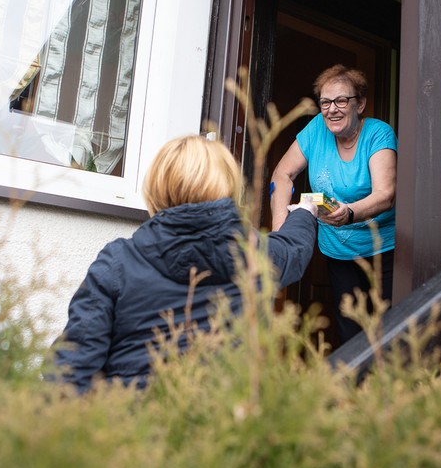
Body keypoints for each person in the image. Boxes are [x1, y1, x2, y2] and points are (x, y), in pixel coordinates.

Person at [47, 134, 318, 393]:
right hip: (223, 421)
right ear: (228, 188)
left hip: (132, 420)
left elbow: (70, 373)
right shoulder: (255, 255)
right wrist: (305, 213)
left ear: (157, 187)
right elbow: (293, 249)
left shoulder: (119, 261)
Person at [270, 64, 397, 345]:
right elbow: (282, 174)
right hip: (338, 253)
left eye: (341, 100)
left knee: (388, 335)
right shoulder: (316, 129)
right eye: (325, 102)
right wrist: (280, 234)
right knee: (350, 334)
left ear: (359, 104)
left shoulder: (378, 133)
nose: (331, 109)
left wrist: (349, 213)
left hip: (382, 253)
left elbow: (386, 194)